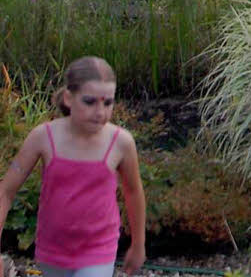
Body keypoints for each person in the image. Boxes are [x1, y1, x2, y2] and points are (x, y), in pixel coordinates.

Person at [0, 57, 146, 277]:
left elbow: (134, 192)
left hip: (99, 248)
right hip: (53, 250)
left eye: (108, 103)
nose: (100, 112)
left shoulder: (121, 142)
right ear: (69, 98)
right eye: (90, 102)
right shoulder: (44, 137)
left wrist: (138, 245)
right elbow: (6, 191)